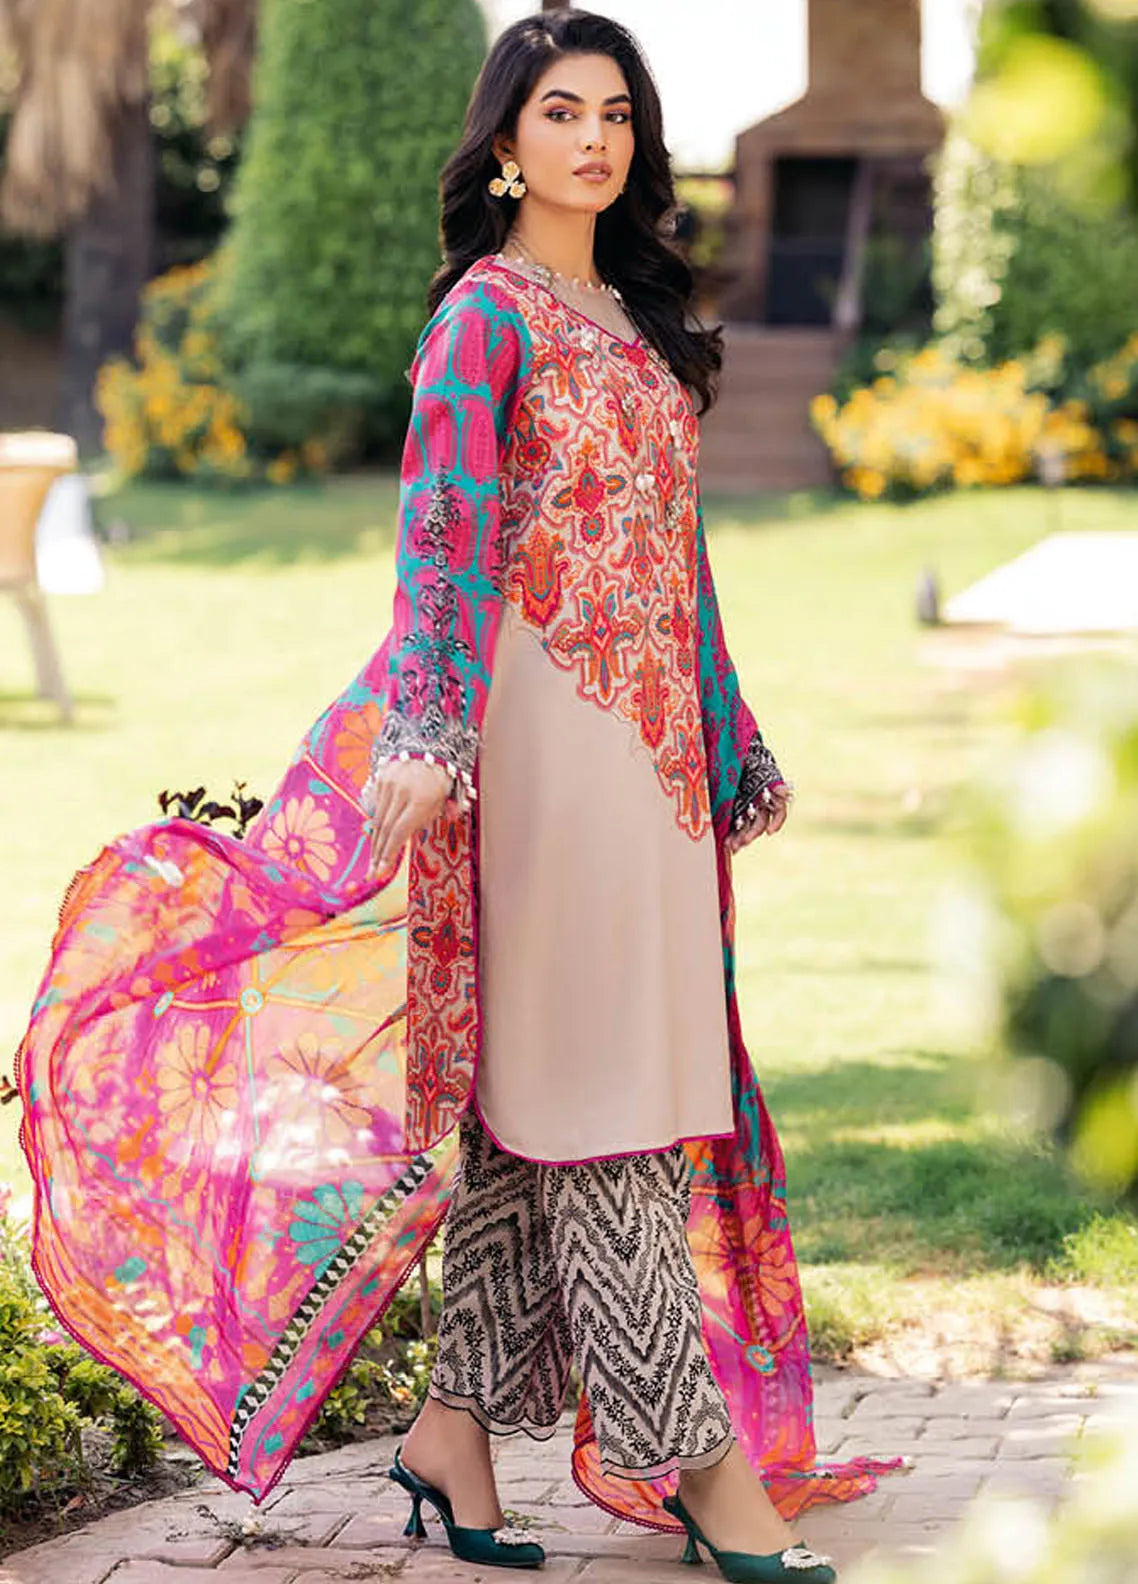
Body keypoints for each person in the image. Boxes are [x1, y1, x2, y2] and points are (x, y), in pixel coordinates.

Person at [15, 11, 905, 1582]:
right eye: (559, 112)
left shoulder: (630, 316)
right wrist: (427, 732)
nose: (592, 139)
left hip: (650, 771)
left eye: (614, 113)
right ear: (503, 142)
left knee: (552, 1101)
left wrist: (731, 728)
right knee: (608, 1106)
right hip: (538, 759)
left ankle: (450, 1432)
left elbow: (673, 557)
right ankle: (695, 1459)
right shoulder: (484, 320)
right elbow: (440, 540)